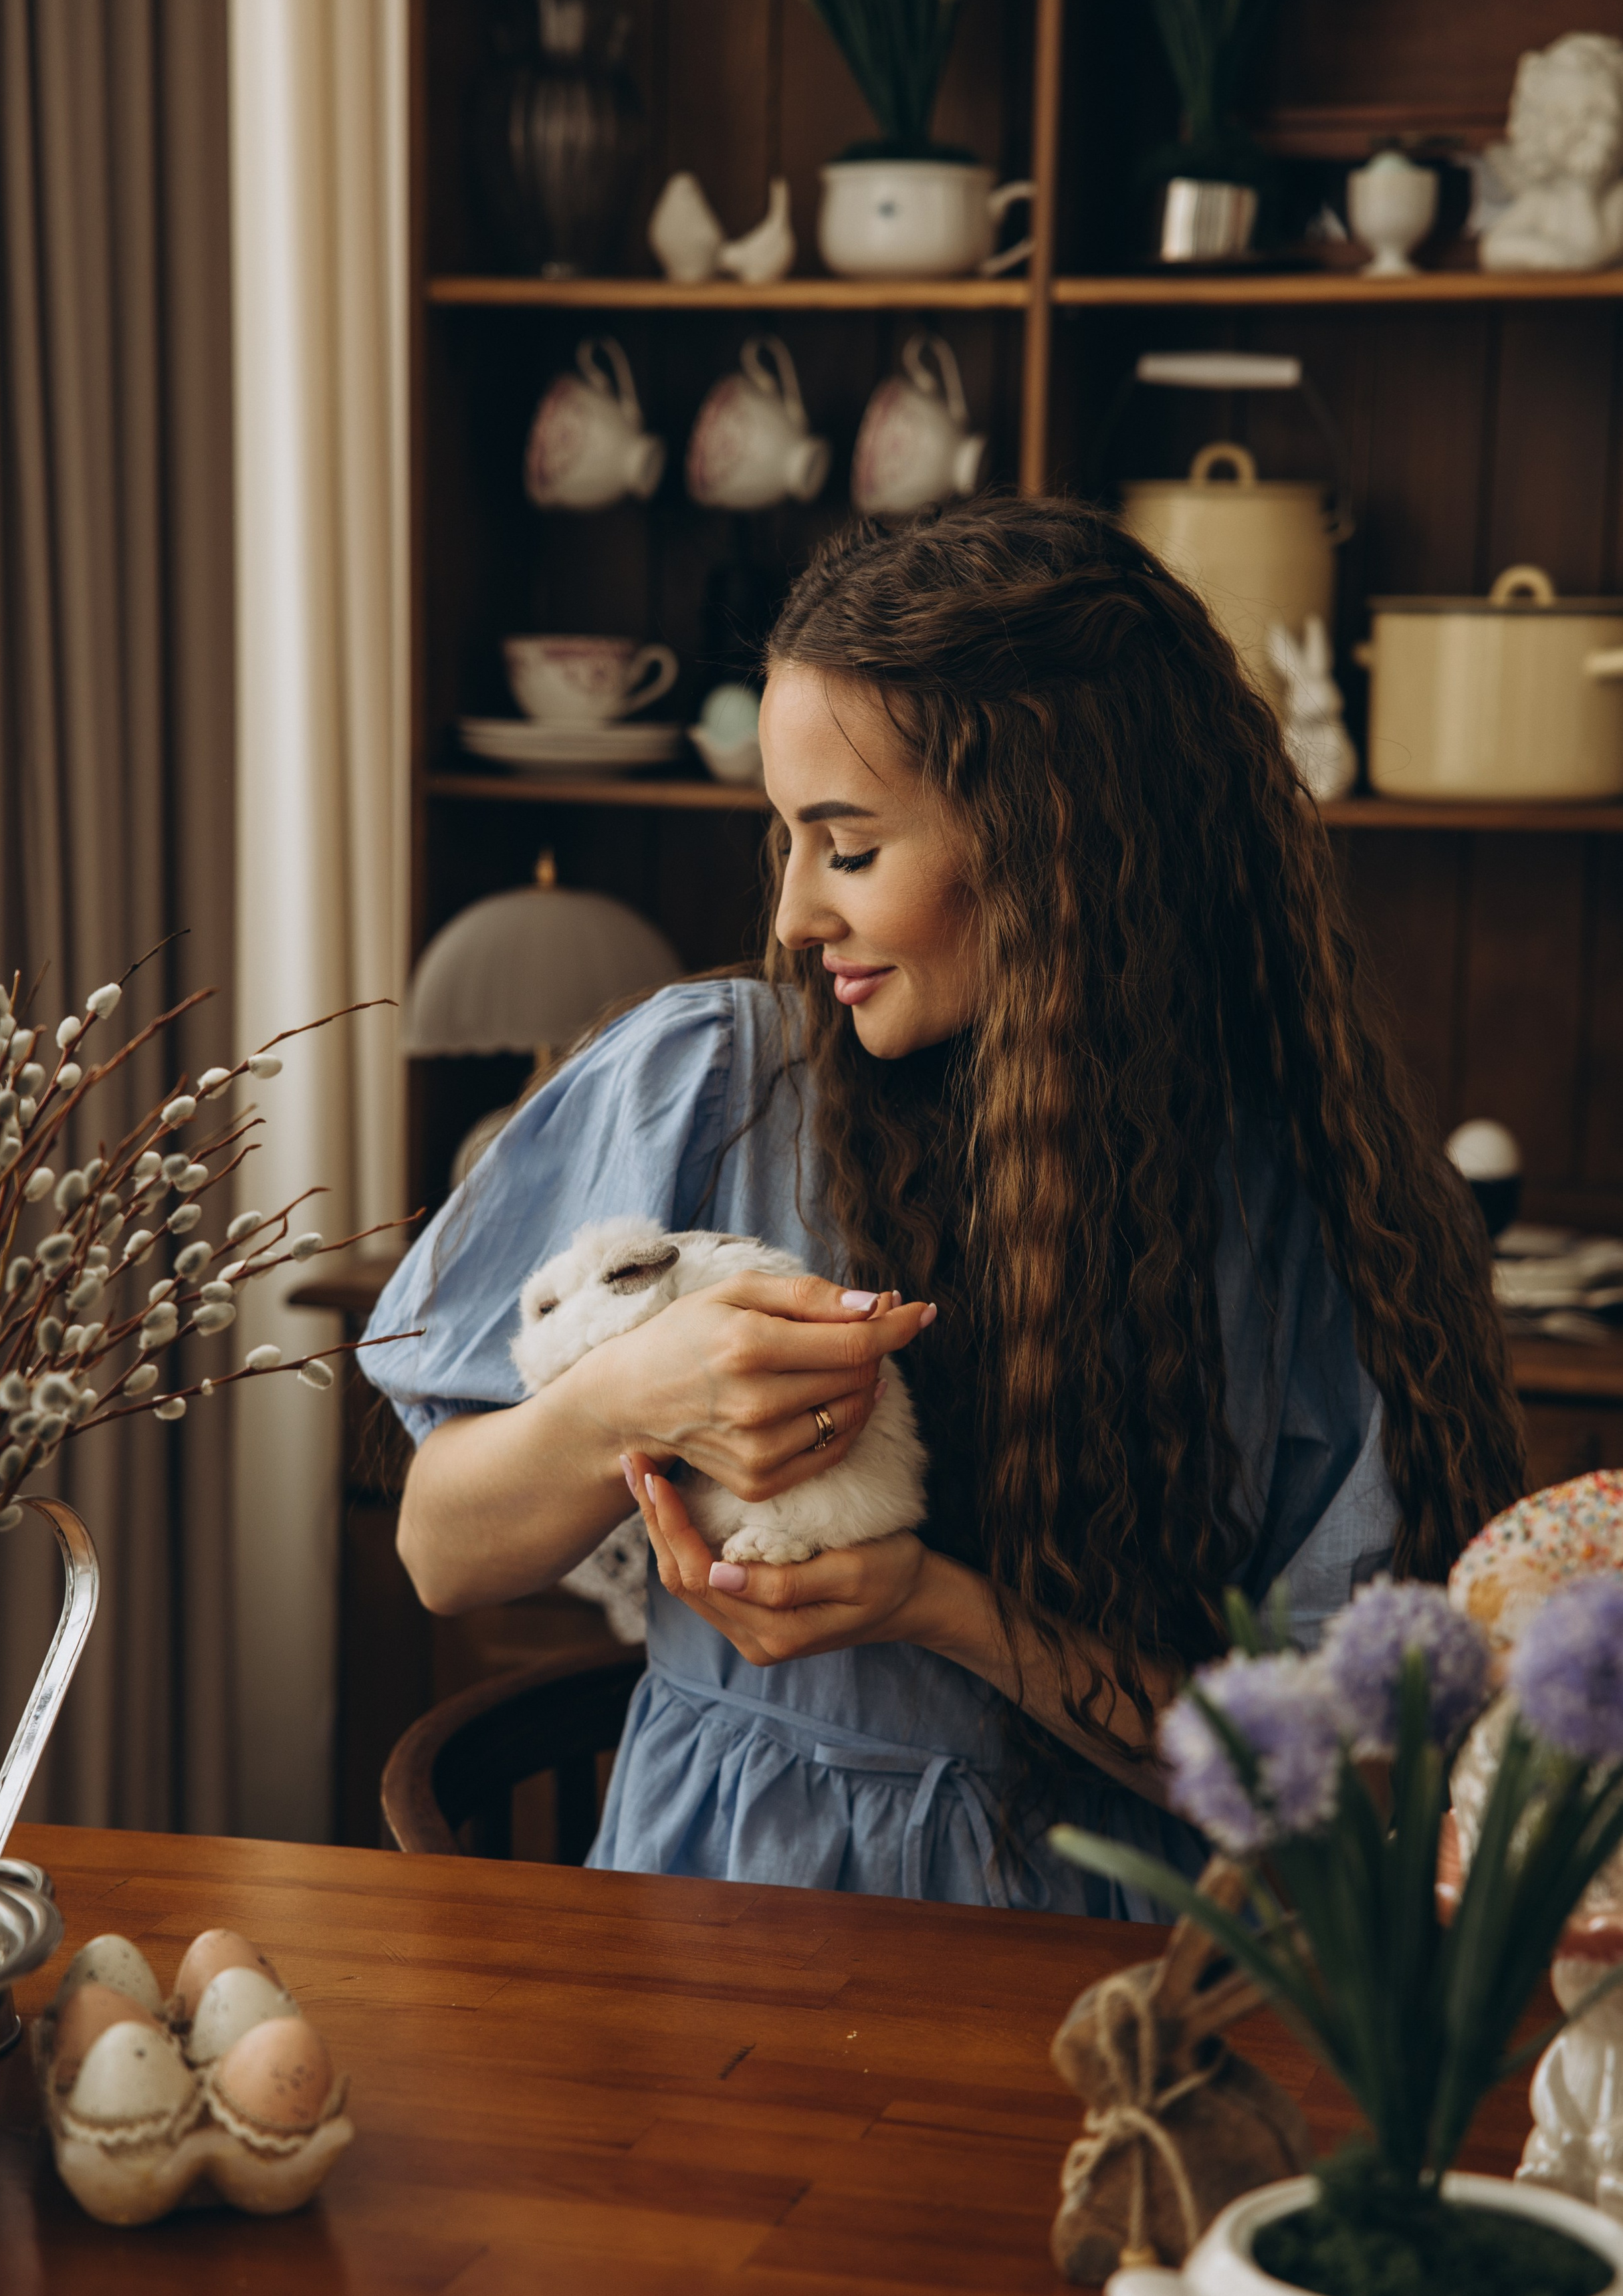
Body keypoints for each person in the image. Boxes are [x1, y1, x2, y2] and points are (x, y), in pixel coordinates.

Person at [360, 500, 1523, 1916]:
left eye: (846, 849)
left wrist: (939, 1610)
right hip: (709, 1914)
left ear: (1053, 853)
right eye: (782, 839)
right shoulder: (707, 1082)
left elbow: (1334, 1787)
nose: (792, 913)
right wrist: (624, 1404)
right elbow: (437, 1551)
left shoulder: (1295, 1211)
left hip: (1091, 1968)